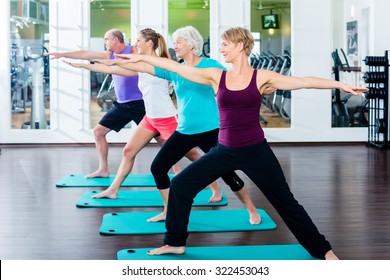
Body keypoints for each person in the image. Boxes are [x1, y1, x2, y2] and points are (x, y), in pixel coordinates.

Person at [122, 27, 368, 259]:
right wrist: (143, 61)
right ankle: (175, 243)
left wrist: (339, 84)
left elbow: (304, 81)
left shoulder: (262, 78)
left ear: (240, 46)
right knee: (181, 186)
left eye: (225, 45)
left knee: (285, 202)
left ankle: (323, 250)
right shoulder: (216, 76)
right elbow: (172, 67)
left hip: (256, 152)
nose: (222, 49)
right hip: (225, 151)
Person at [103, 26, 261, 224]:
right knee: (158, 167)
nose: (174, 46)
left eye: (179, 42)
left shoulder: (211, 66)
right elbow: (144, 67)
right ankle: (168, 210)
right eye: (174, 42)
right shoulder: (176, 68)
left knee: (227, 174)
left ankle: (252, 209)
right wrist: (107, 62)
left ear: (192, 44)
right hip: (185, 130)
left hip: (211, 131)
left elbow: (236, 82)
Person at [63, 28, 223, 220]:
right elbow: (112, 68)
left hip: (166, 119)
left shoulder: (165, 65)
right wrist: (83, 66)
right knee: (128, 151)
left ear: (149, 43)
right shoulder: (140, 64)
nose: (135, 43)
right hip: (150, 118)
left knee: (192, 155)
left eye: (139, 40)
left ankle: (216, 188)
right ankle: (113, 190)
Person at [46, 29, 145, 179]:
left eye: (107, 39)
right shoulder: (108, 54)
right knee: (98, 132)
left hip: (140, 104)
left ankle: (177, 168)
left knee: (162, 138)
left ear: (117, 40)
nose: (104, 42)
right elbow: (84, 53)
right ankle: (103, 169)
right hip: (123, 105)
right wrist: (62, 55)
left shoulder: (133, 50)